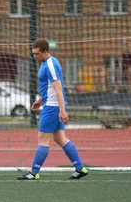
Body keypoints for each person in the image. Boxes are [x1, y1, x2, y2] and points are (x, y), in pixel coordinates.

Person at [17, 39, 88, 180]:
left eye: (37, 54)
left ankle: (33, 172)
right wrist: (40, 100)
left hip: (53, 107)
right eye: (33, 54)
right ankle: (80, 168)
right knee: (59, 138)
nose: (34, 56)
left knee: (43, 139)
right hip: (51, 104)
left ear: (45, 51)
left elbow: (58, 88)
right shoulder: (48, 62)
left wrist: (62, 111)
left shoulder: (50, 64)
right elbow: (50, 88)